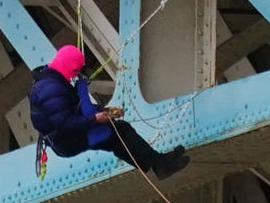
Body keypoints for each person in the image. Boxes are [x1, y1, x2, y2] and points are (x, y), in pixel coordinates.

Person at [27, 43, 188, 180]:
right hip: (66, 141)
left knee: (117, 135)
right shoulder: (52, 88)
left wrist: (105, 112)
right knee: (120, 132)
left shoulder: (52, 79)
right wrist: (96, 119)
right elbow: (64, 123)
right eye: (75, 70)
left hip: (63, 137)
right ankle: (159, 164)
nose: (75, 74)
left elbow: (69, 111)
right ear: (68, 67)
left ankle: (158, 163)